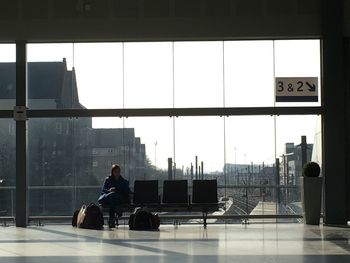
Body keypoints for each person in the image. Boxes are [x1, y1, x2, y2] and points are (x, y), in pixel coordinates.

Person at [97, 164, 132, 228]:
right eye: (116, 171)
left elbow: (127, 191)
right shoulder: (108, 180)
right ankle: (116, 211)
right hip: (109, 198)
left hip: (117, 198)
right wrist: (109, 190)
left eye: (118, 171)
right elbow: (104, 190)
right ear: (112, 172)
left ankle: (111, 219)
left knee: (114, 196)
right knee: (112, 195)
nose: (117, 173)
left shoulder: (123, 181)